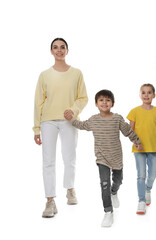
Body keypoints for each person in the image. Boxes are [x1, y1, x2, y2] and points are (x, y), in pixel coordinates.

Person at [64, 89, 143, 227]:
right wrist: (71, 119)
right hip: (102, 158)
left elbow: (128, 131)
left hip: (116, 157)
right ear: (96, 103)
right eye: (101, 100)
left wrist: (136, 141)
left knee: (118, 180)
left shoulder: (117, 118)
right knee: (104, 184)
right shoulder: (94, 120)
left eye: (108, 100)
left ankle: (114, 192)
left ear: (112, 103)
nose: (104, 102)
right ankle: (108, 212)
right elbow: (81, 125)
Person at [33, 38, 88, 218]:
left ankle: (70, 189)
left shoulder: (77, 73)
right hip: (48, 121)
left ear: (67, 50)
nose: (59, 50)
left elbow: (83, 98)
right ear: (51, 51)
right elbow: (38, 103)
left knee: (69, 158)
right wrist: (36, 129)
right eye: (55, 48)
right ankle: (50, 201)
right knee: (48, 161)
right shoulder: (44, 75)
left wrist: (73, 111)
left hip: (69, 121)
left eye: (62, 47)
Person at [127, 84, 156, 215]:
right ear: (140, 95)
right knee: (141, 175)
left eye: (149, 92)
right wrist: (135, 143)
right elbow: (130, 131)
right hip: (139, 148)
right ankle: (141, 201)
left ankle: (148, 189)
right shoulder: (134, 111)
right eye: (143, 92)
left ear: (154, 95)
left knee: (153, 174)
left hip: (153, 147)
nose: (146, 95)